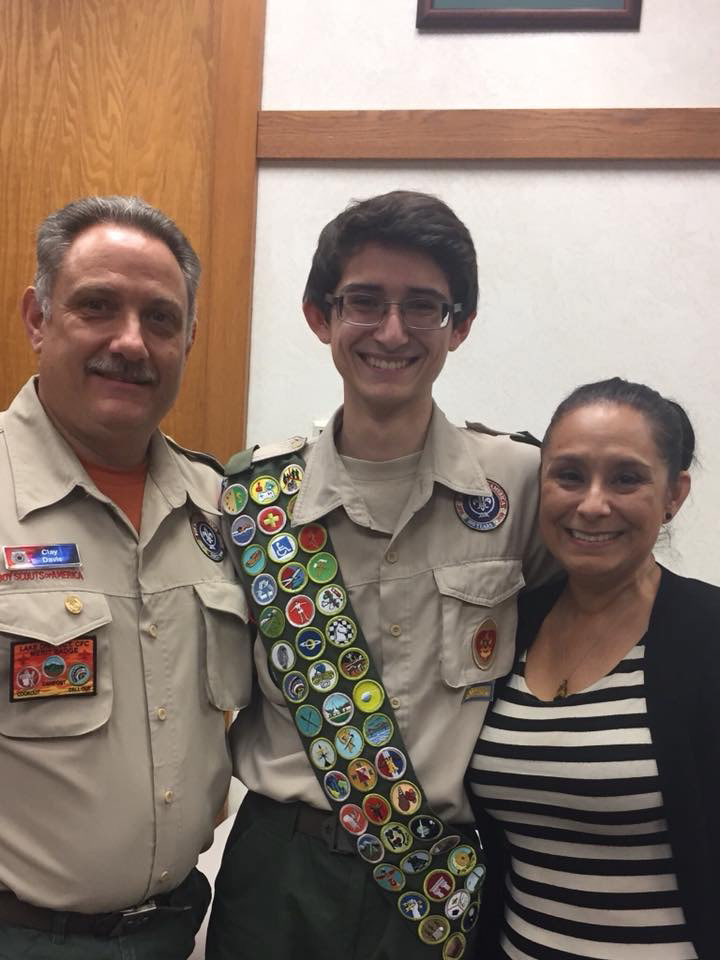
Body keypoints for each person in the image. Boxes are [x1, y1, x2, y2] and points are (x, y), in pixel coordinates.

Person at [207, 190, 551, 960]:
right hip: (280, 874)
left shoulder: (523, 487)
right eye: (365, 301)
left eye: (422, 306)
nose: (392, 332)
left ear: (458, 326)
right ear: (319, 315)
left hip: (437, 877)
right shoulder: (251, 496)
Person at [0, 196, 251, 959]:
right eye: (98, 306)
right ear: (38, 318)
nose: (131, 342)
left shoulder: (224, 511)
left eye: (162, 319)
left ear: (190, 339)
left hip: (178, 929)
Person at [468, 377, 719, 960]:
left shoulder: (708, 636)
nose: (592, 503)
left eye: (627, 478)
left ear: (674, 493)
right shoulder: (507, 626)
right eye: (570, 475)